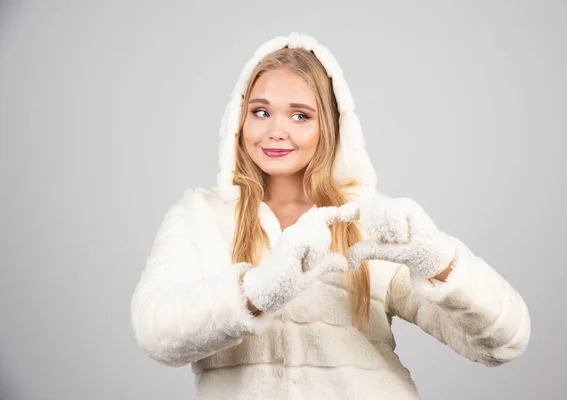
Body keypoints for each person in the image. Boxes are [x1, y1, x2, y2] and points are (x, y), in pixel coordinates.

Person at [130, 32, 531, 399]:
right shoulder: (199, 217)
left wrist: (438, 261)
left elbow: (503, 344)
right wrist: (258, 291)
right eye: (261, 111)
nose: (275, 131)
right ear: (239, 118)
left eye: (300, 115)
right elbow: (157, 333)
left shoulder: (369, 219)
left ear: (331, 126)